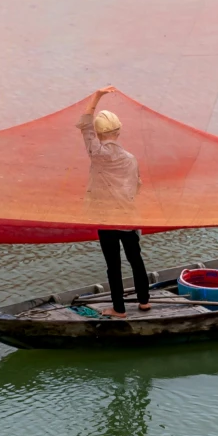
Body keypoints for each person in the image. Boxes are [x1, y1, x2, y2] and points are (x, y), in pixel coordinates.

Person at [78, 87, 149, 314]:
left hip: (107, 219)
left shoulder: (98, 154)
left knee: (113, 266)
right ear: (119, 131)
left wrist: (97, 97)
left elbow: (85, 124)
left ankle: (119, 308)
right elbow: (137, 186)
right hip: (128, 217)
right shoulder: (131, 159)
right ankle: (144, 300)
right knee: (135, 260)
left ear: (99, 134)